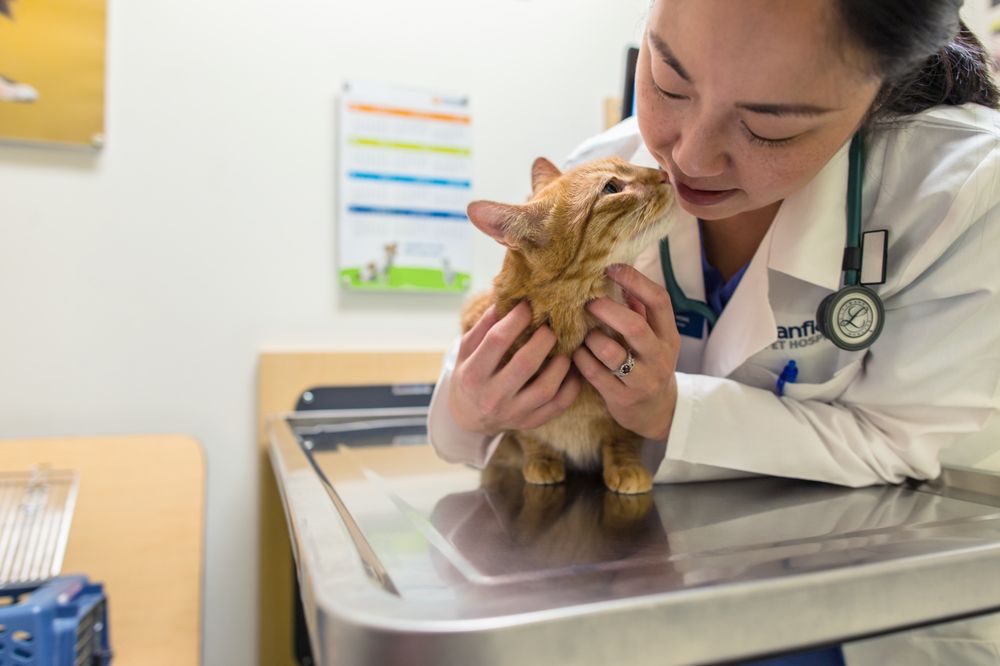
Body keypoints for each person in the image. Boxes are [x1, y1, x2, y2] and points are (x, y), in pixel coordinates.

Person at [428, 0, 1000, 491]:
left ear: (885, 85)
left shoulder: (965, 190)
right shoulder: (601, 167)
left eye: (771, 126)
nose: (689, 161)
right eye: (668, 82)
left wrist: (672, 411)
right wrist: (469, 406)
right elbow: (459, 429)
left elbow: (897, 442)